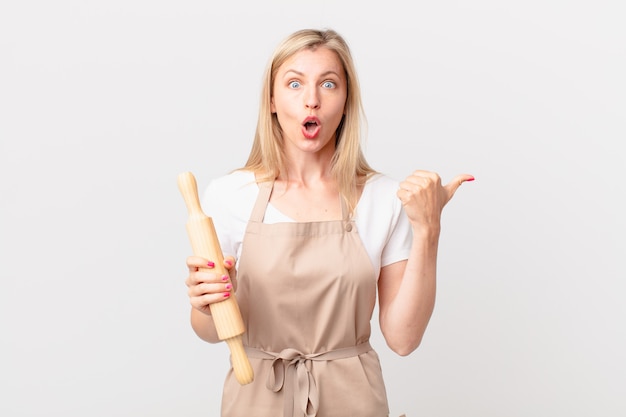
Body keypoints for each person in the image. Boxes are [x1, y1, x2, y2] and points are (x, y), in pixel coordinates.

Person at [184, 28, 474, 417]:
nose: (312, 100)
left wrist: (428, 229)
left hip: (354, 400)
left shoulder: (384, 198)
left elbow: (403, 339)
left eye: (328, 84)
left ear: (346, 100)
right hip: (256, 399)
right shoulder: (229, 196)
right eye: (294, 83)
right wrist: (207, 306)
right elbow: (209, 332)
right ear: (271, 100)